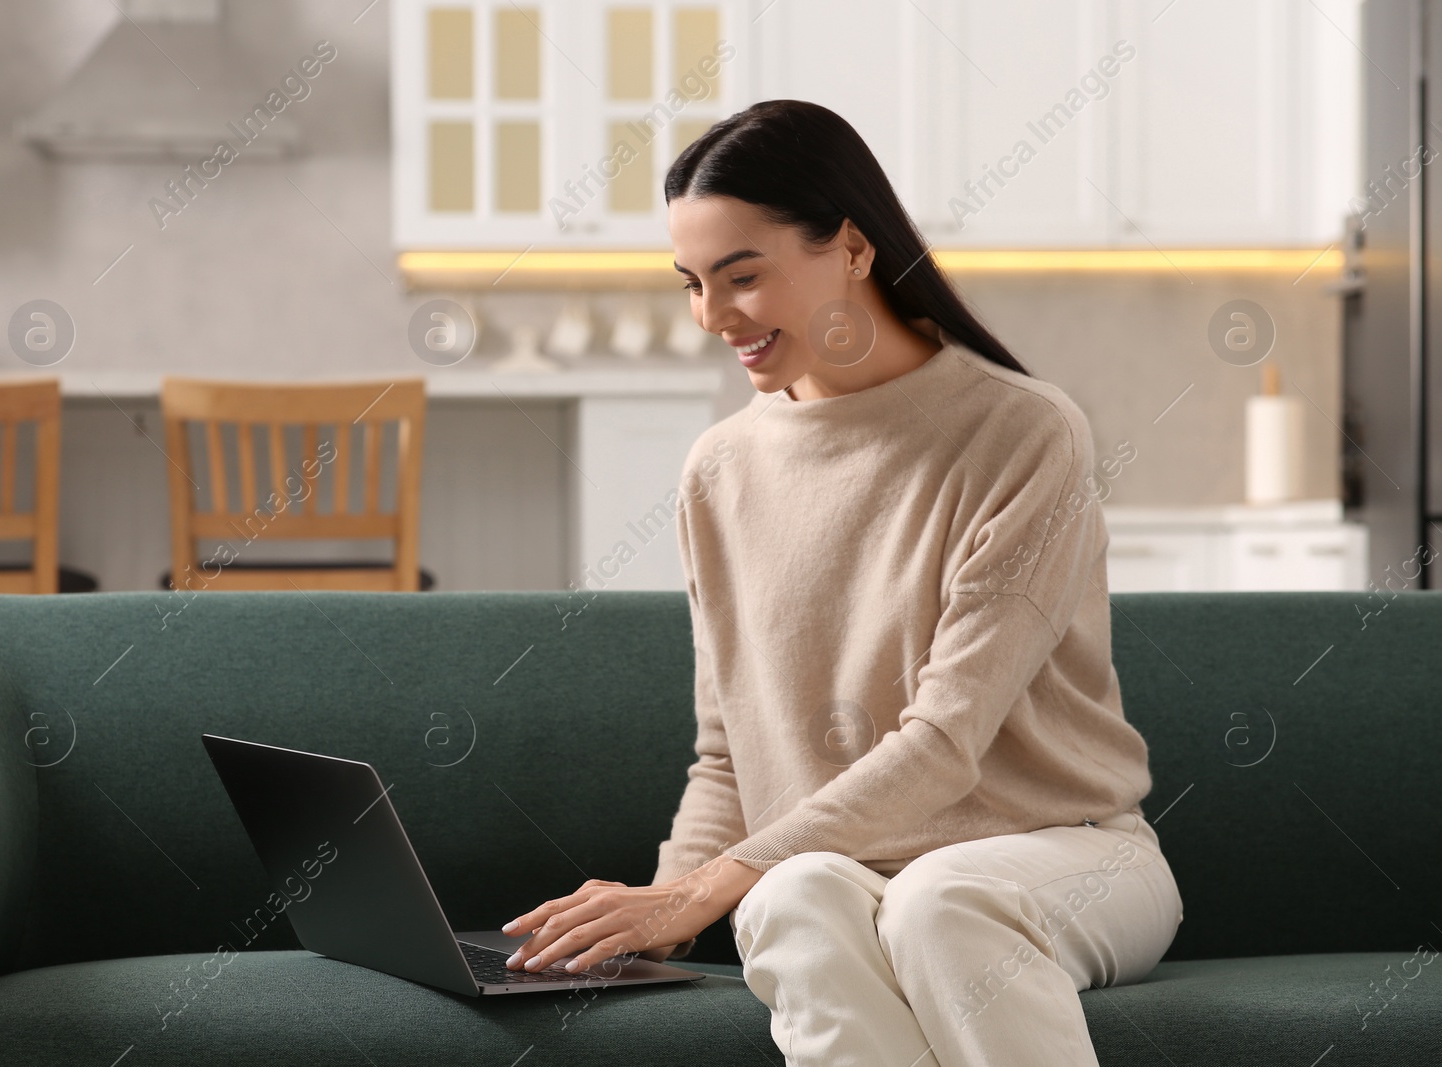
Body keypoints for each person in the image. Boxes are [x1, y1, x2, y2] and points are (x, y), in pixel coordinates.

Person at [499, 98, 1183, 1067]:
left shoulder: (1022, 433)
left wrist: (702, 889)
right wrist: (657, 907)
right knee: (787, 895)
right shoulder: (719, 469)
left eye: (742, 276)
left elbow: (944, 742)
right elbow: (728, 756)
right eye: (692, 282)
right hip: (843, 872)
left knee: (941, 901)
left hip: (1067, 853)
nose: (712, 315)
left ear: (852, 249)